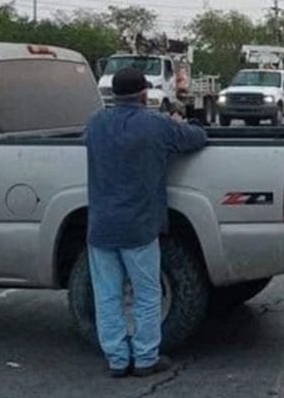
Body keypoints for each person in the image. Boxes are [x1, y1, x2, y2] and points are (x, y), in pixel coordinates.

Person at [85, 67, 207, 378]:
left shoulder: (95, 124)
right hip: (139, 227)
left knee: (107, 295)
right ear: (144, 94)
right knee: (147, 294)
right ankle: (145, 357)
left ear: (112, 95)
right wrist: (183, 122)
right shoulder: (156, 125)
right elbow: (197, 137)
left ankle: (116, 358)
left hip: (100, 226)